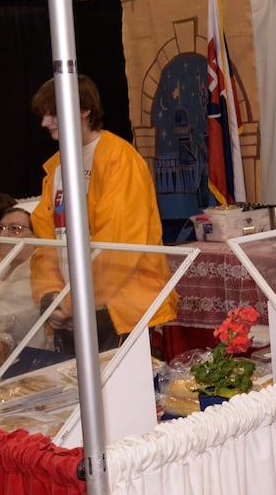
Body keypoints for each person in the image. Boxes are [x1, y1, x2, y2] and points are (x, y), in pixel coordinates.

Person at [29, 75, 176, 352]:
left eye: (53, 112)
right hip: (75, 310)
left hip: (118, 313)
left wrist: (74, 304)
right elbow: (45, 244)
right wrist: (50, 296)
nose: (45, 122)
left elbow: (118, 246)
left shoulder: (119, 159)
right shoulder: (56, 168)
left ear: (84, 110)